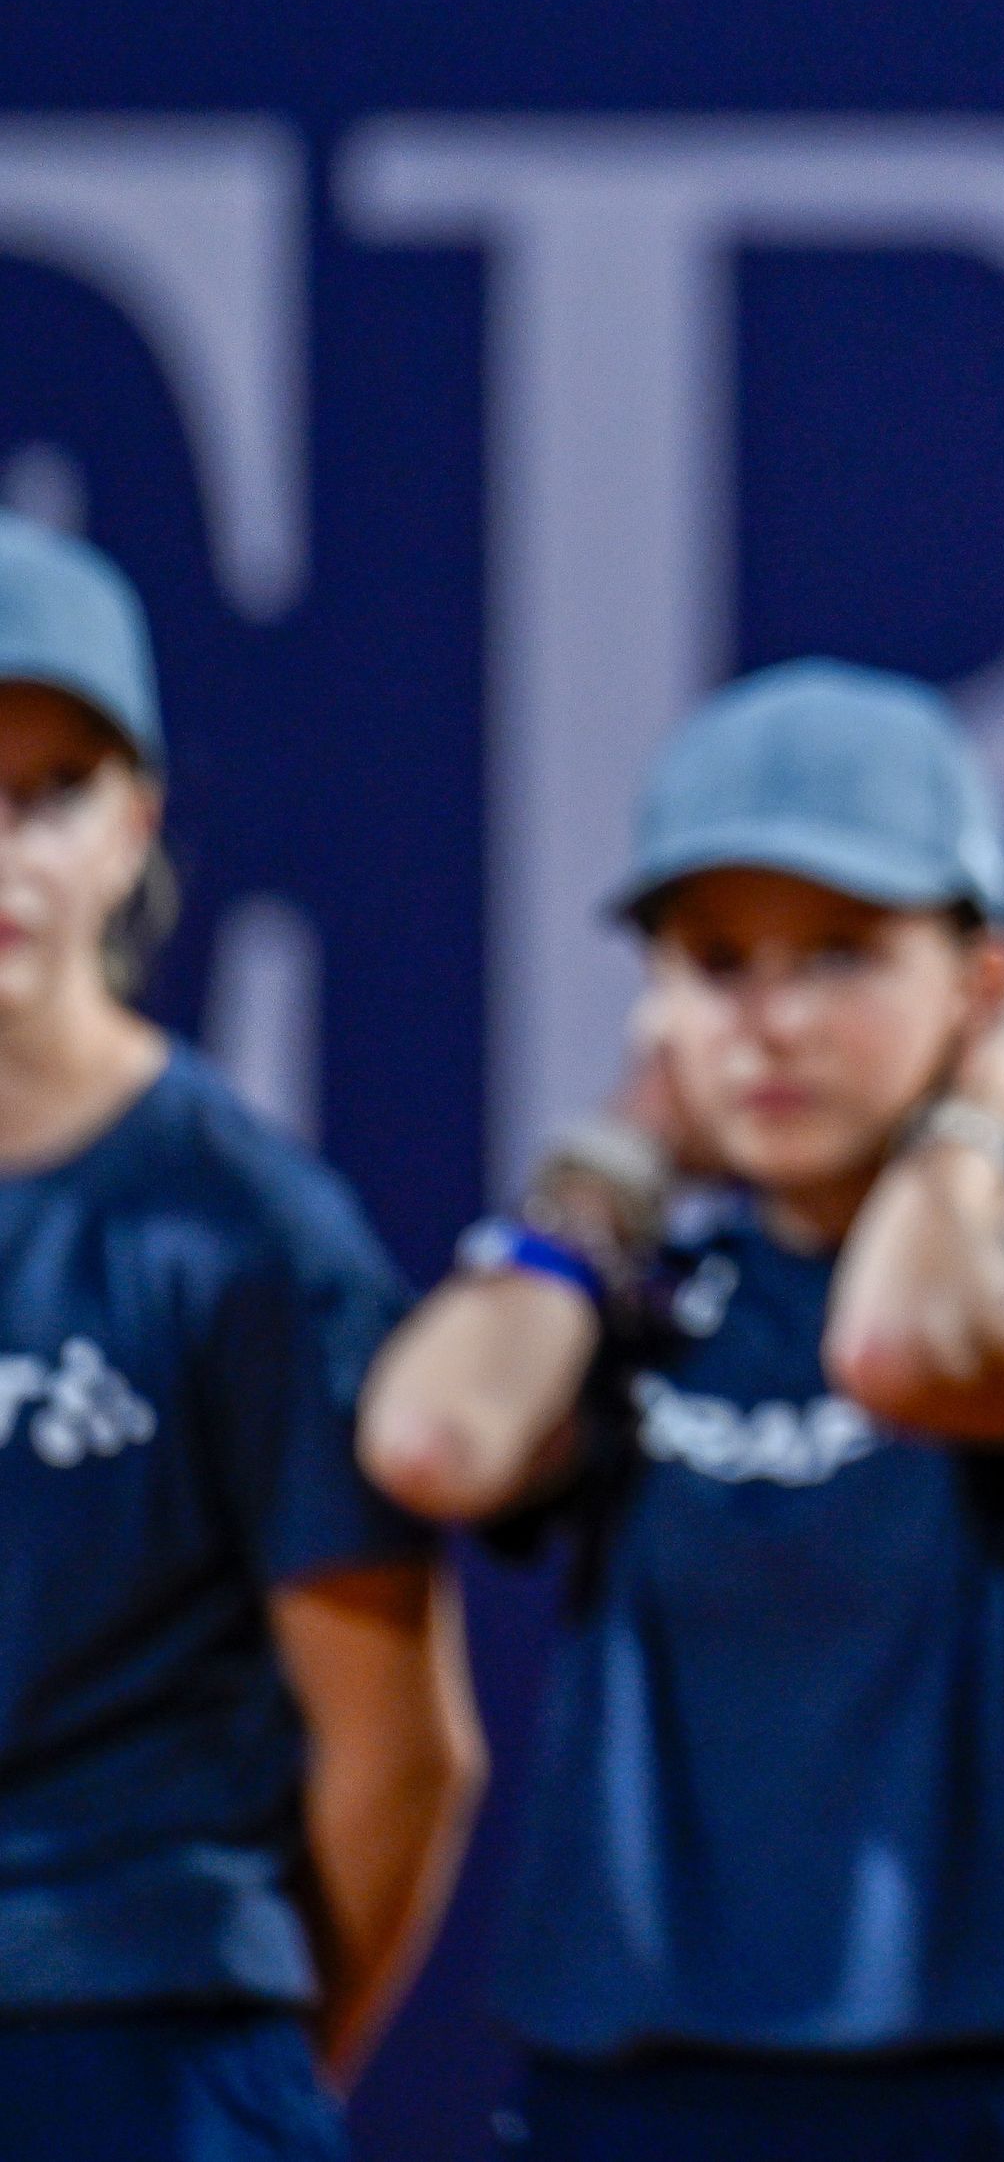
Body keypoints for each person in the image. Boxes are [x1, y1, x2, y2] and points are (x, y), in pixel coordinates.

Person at [355, 661, 1004, 2162]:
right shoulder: (625, 1306)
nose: (768, 1022)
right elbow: (435, 1442)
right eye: (713, 962)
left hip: (967, 2100)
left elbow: (899, 1350)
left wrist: (983, 1106)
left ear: (984, 979)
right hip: (622, 2099)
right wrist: (622, 1149)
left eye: (837, 953)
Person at [0, 516, 480, 2159]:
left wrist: (254, 2084)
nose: (6, 853)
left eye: (49, 794)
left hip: (144, 2046)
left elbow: (402, 1752)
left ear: (134, 824)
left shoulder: (255, 1235)